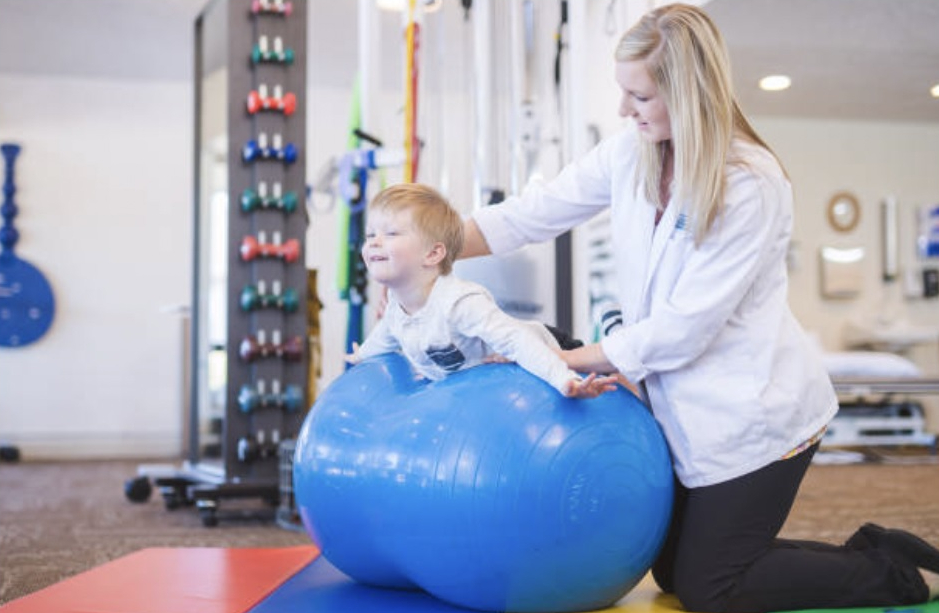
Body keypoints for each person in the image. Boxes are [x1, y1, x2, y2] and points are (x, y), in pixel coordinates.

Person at [458, 3, 939, 612]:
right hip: (686, 407)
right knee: (672, 571)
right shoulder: (631, 152)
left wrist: (562, 358)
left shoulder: (750, 182)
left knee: (713, 589)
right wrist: (439, 244)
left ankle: (890, 575)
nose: (623, 110)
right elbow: (536, 212)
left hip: (756, 416)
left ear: (688, 94)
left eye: (640, 96)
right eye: (623, 93)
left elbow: (684, 330)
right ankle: (871, 546)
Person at [348, 183, 617, 399]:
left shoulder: (458, 303)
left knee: (620, 381)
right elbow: (385, 336)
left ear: (433, 254)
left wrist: (564, 378)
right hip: (484, 386)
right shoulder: (397, 306)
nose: (374, 243)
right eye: (371, 235)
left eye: (391, 233)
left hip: (546, 351)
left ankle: (616, 330)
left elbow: (516, 342)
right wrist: (362, 356)